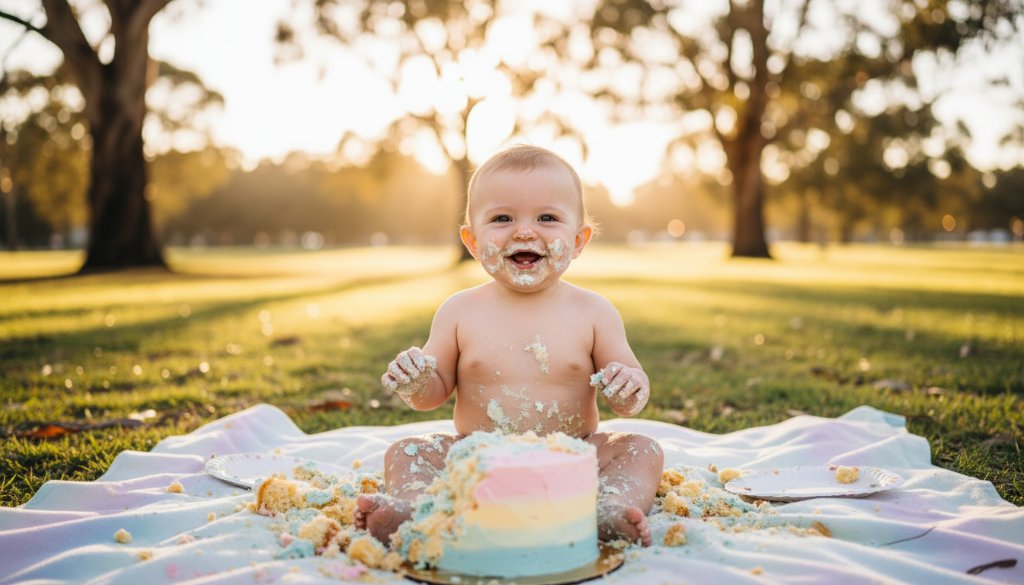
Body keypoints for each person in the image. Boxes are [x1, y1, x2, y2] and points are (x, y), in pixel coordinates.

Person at [355, 144, 664, 548]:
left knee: (642, 449)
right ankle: (414, 510)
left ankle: (610, 509)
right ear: (471, 239)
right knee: (407, 450)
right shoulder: (459, 311)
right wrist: (417, 382)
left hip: (573, 461)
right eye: (502, 218)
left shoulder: (594, 312)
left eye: (547, 218)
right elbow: (433, 394)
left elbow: (629, 394)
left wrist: (628, 384)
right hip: (475, 463)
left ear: (578, 240)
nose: (524, 231)